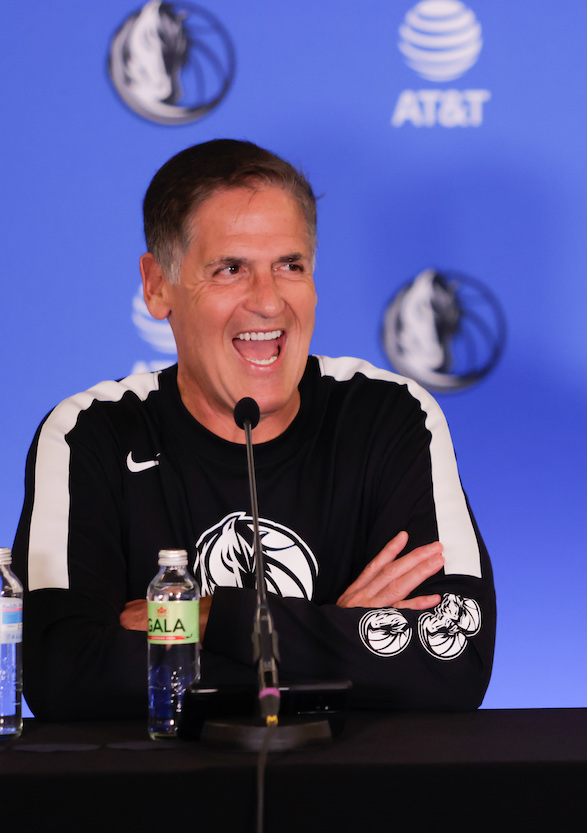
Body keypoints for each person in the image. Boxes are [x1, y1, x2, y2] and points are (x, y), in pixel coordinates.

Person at [12, 140, 495, 719]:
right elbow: (64, 675)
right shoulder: (90, 433)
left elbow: (453, 664)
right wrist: (340, 633)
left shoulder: (391, 416)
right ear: (158, 285)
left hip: (359, 802)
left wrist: (219, 617)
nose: (268, 302)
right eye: (231, 269)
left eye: (291, 266)